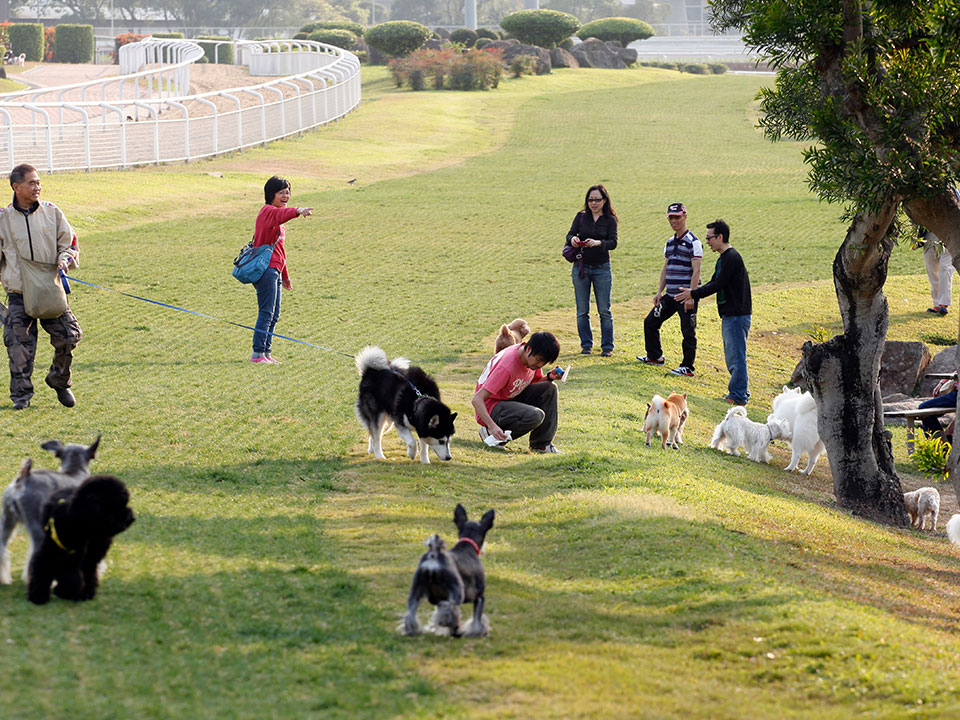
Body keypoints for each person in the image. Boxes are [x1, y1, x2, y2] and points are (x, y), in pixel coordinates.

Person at [0, 163, 80, 410]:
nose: (38, 187)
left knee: (69, 335)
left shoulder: (52, 211)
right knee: (18, 346)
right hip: (18, 295)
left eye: (39, 182)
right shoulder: (2, 219)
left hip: (49, 290)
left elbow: (70, 243)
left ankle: (59, 380)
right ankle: (21, 398)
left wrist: (65, 259)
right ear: (16, 187)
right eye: (32, 183)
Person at [675, 219, 752, 405]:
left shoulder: (732, 258)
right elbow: (712, 282)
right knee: (733, 355)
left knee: (736, 356)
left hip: (736, 315)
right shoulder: (724, 259)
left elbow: (718, 285)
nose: (707, 242)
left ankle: (739, 395)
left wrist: (692, 293)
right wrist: (693, 296)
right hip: (730, 315)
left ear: (720, 237)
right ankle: (737, 393)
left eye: (709, 237)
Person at [250, 175, 312, 364]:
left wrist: (285, 276)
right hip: (266, 270)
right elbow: (280, 215)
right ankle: (258, 354)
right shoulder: (268, 211)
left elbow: (280, 251)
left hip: (275, 270)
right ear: (271, 194)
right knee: (266, 312)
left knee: (274, 313)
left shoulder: (275, 215)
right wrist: (298, 211)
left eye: (288, 192)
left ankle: (266, 352)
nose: (286, 196)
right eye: (281, 193)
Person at [637, 202, 702, 376]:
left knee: (688, 331)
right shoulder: (670, 242)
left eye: (677, 217)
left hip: (685, 295)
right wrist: (659, 291)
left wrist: (691, 295)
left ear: (685, 217)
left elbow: (697, 270)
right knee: (650, 322)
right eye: (671, 217)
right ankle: (655, 356)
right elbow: (666, 267)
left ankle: (687, 367)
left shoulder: (694, 242)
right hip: (670, 295)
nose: (674, 221)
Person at [472, 331, 564, 453]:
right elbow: (477, 399)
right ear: (529, 349)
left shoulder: (529, 359)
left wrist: (548, 377)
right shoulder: (506, 367)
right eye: (539, 359)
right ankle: (492, 435)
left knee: (549, 388)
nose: (540, 365)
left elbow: (532, 382)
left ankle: (542, 445)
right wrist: (492, 426)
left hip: (510, 398)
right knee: (535, 415)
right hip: (491, 407)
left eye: (544, 362)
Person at [564, 184, 618, 356]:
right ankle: (586, 345)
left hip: (602, 268)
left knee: (604, 309)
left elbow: (613, 242)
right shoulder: (581, 217)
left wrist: (598, 243)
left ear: (604, 200)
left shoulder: (610, 220)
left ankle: (607, 347)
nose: (594, 203)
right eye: (590, 200)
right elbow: (569, 234)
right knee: (582, 310)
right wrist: (573, 240)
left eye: (597, 199)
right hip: (581, 267)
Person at [920, 228, 953, 316]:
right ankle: (937, 304)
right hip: (929, 234)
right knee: (932, 271)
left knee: (946, 268)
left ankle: (943, 304)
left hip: (949, 233)